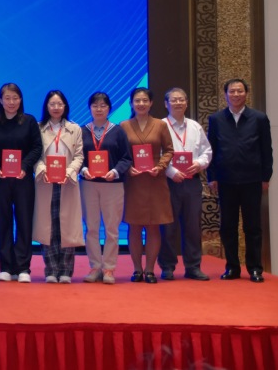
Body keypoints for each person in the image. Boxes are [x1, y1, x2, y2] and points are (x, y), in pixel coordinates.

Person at [208, 78, 273, 283]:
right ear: (225, 94)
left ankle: (255, 269)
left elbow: (266, 150)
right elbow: (211, 150)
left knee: (252, 226)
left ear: (246, 93)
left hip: (252, 180)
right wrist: (212, 177)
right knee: (228, 226)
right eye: (232, 91)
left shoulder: (259, 118)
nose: (236, 94)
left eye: (239, 91)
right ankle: (232, 267)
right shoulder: (216, 119)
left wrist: (266, 177)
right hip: (225, 180)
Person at [0, 83, 42, 284]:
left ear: (20, 100)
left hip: (23, 179)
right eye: (7, 98)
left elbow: (36, 148)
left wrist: (25, 167)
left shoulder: (29, 121)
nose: (11, 102)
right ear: (0, 100)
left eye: (15, 98)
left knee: (24, 221)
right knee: (3, 222)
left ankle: (23, 267)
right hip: (0, 179)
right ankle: (5, 267)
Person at [120, 87, 174, 284]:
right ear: (131, 103)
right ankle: (137, 269)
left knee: (153, 227)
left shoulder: (160, 125)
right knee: (134, 226)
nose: (141, 104)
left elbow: (169, 150)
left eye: (144, 100)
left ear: (151, 103)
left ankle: (150, 270)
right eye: (137, 100)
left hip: (155, 180)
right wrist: (128, 168)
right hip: (133, 181)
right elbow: (120, 153)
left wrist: (160, 166)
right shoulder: (124, 126)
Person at [158, 87, 213, 281]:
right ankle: (167, 266)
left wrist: (199, 164)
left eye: (181, 99)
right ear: (166, 104)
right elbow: (156, 154)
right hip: (168, 182)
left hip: (192, 182)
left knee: (192, 226)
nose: (178, 103)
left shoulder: (195, 126)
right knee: (168, 226)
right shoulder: (160, 126)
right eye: (174, 100)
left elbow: (207, 151)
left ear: (187, 103)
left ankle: (193, 266)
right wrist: (172, 172)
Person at [79, 92, 132, 285]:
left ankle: (109, 268)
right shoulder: (82, 131)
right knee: (91, 228)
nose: (99, 109)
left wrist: (115, 171)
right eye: (95, 105)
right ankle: (95, 266)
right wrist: (83, 169)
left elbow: (127, 158)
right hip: (88, 185)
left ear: (109, 108)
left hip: (113, 185)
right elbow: (77, 156)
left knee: (111, 228)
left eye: (103, 105)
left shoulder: (118, 131)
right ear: (90, 108)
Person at [33, 90, 84, 284]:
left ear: (65, 106)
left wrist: (70, 171)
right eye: (52, 104)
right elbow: (35, 153)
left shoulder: (74, 129)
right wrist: (43, 169)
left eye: (59, 104)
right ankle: (51, 270)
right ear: (46, 106)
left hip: (67, 182)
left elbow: (79, 155)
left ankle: (66, 271)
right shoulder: (38, 128)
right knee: (49, 227)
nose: (56, 107)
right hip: (46, 182)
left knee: (66, 226)